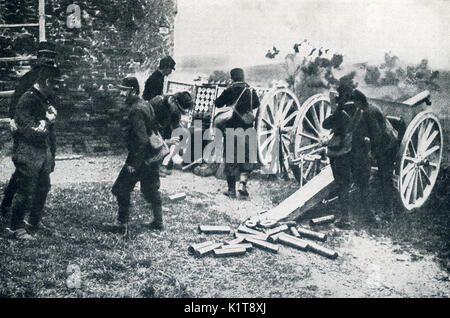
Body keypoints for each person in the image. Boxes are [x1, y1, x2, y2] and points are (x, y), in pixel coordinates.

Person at [109, 77, 193, 235]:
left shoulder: (137, 110)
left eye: (123, 90)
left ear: (133, 91)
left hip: (142, 156)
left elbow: (142, 139)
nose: (120, 93)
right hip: (153, 155)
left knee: (121, 188)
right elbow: (154, 129)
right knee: (151, 189)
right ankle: (158, 221)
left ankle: (121, 223)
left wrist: (134, 164)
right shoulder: (148, 104)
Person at [1, 41, 58, 222]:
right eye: (44, 56)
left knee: (43, 170)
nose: (47, 59)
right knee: (23, 170)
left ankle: (33, 215)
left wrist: (50, 119)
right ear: (38, 57)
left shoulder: (52, 79)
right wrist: (12, 120)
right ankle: (7, 204)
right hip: (26, 128)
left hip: (45, 128)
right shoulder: (28, 79)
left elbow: (54, 101)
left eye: (51, 57)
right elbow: (17, 101)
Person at [6, 64, 61, 240]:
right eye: (54, 84)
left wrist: (51, 155)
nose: (55, 89)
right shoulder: (27, 100)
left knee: (43, 187)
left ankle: (33, 222)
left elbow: (49, 133)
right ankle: (16, 227)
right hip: (28, 152)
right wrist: (48, 120)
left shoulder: (43, 99)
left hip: (42, 153)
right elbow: (30, 131)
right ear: (45, 82)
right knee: (25, 189)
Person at [323, 75, 374, 228]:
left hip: (343, 154)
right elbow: (371, 132)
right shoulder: (364, 111)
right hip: (360, 154)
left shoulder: (341, 111)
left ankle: (345, 219)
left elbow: (326, 124)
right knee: (364, 185)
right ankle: (369, 216)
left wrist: (337, 109)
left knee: (343, 185)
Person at [214, 68, 260, 199]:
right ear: (243, 77)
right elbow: (256, 104)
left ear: (232, 78)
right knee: (246, 158)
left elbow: (217, 104)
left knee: (231, 160)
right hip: (247, 129)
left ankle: (231, 191)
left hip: (231, 129)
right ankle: (242, 186)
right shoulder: (251, 90)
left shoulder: (230, 90)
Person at [352, 90, 398, 219]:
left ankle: (389, 213)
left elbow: (377, 137)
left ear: (359, 101)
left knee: (385, 177)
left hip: (387, 145)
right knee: (383, 176)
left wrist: (372, 154)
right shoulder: (367, 108)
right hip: (382, 142)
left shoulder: (369, 112)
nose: (354, 105)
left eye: (355, 102)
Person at [142, 56, 176, 176]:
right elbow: (153, 99)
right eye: (170, 69)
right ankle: (157, 166)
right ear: (166, 67)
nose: (171, 72)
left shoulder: (158, 77)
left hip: (152, 110)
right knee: (158, 139)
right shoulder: (156, 79)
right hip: (153, 111)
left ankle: (158, 165)